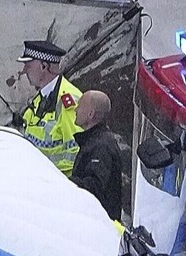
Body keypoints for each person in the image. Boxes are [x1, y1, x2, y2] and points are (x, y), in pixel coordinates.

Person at [13, 39, 81, 177]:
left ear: (43, 66)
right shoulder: (40, 97)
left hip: (55, 184)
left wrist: (51, 177)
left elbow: (76, 152)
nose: (24, 71)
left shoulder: (67, 101)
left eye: (28, 65)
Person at [71, 90, 126, 220]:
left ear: (91, 114)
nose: (75, 110)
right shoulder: (95, 141)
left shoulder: (101, 146)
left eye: (80, 105)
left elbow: (94, 186)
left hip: (98, 223)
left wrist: (65, 183)